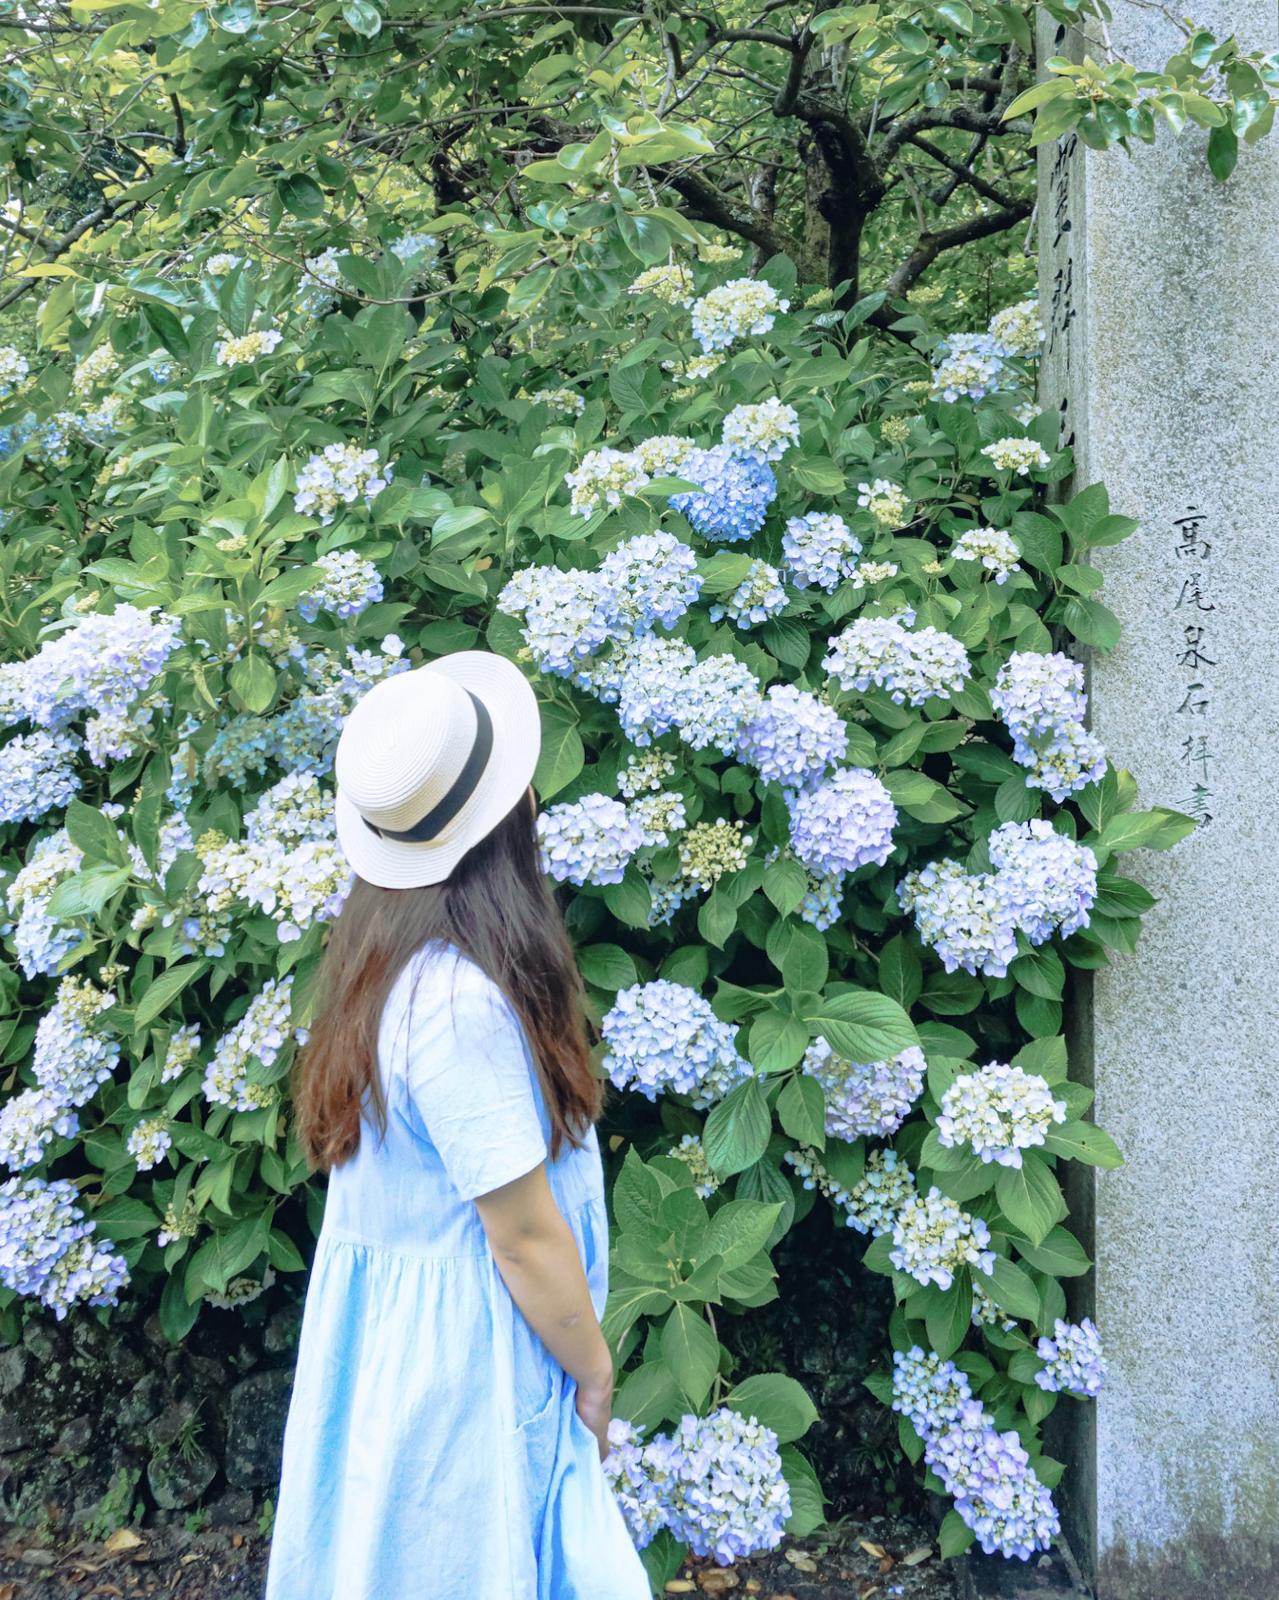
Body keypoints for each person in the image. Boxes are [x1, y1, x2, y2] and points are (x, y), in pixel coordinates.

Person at [263, 650, 651, 1600]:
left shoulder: (386, 964)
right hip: (463, 1365)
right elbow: (520, 1237)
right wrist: (593, 1373)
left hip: (403, 1347)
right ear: (514, 817)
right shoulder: (456, 1008)